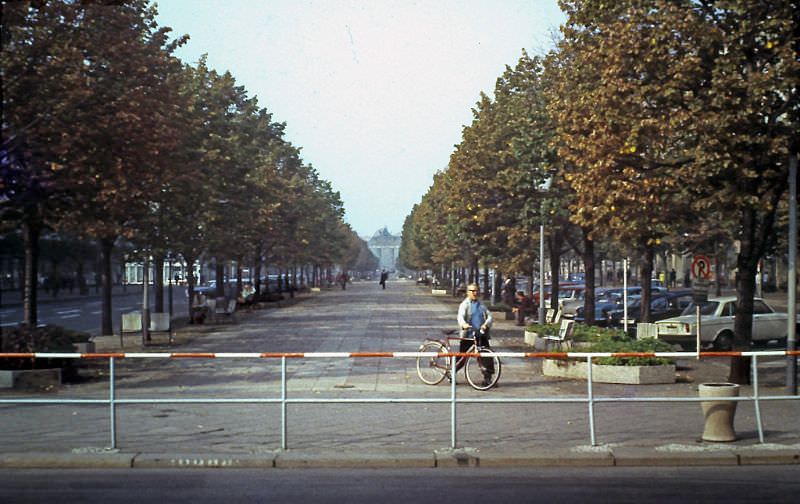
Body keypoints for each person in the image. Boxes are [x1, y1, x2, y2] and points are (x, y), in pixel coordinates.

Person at [456, 283, 495, 386]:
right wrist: (463, 324)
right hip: (468, 335)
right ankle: (451, 372)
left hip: (481, 334)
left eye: (476, 291)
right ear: (467, 292)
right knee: (462, 357)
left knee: (487, 356)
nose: (474, 293)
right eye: (472, 291)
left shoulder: (481, 304)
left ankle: (488, 378)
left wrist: (486, 324)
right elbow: (460, 316)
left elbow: (489, 316)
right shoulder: (465, 305)